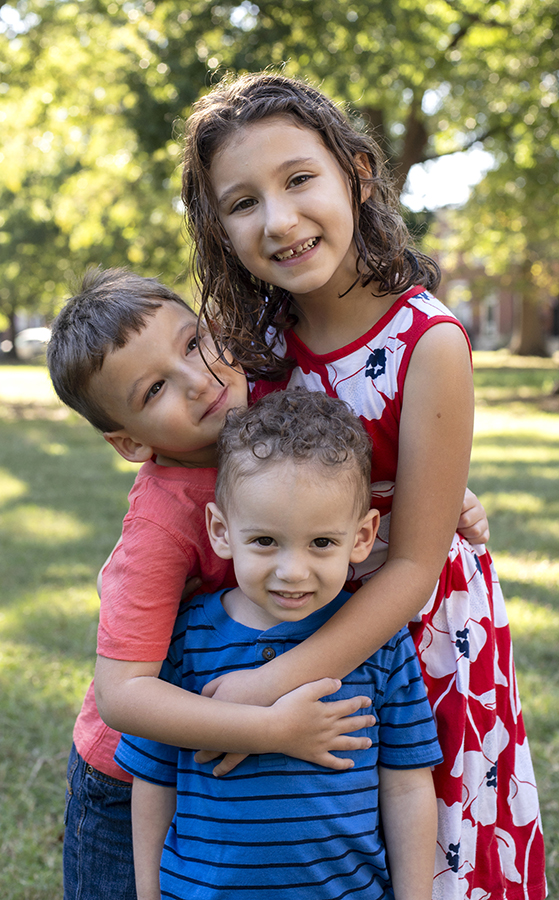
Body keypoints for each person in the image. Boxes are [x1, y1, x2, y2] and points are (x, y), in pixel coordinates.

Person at [179, 72, 546, 899]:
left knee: (429, 848)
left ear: (358, 174)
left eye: (299, 179)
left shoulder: (430, 340)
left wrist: (265, 692)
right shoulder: (252, 346)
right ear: (218, 228)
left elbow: (414, 565)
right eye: (241, 202)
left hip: (414, 633)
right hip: (289, 604)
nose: (278, 220)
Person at [48, 267, 376, 900]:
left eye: (194, 342)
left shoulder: (262, 445)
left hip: (219, 744)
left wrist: (450, 503)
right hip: (130, 779)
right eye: (155, 391)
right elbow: (122, 697)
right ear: (128, 443)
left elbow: (344, 484)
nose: (200, 382)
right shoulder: (159, 528)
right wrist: (272, 729)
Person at [115, 388, 443, 900]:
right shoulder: (188, 635)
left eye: (322, 543)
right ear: (221, 531)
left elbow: (405, 784)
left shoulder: (378, 640)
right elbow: (154, 782)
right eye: (265, 541)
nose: (293, 572)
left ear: (362, 537)